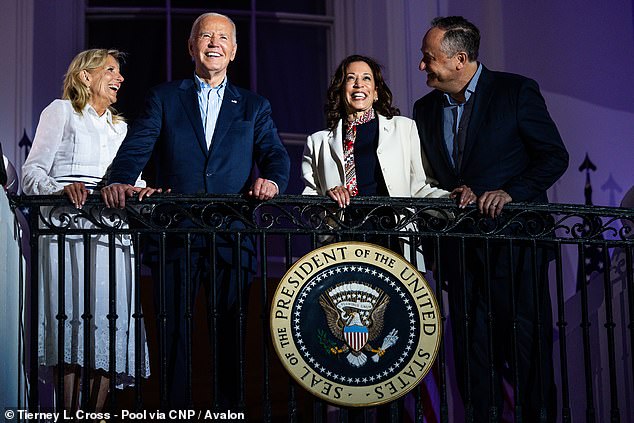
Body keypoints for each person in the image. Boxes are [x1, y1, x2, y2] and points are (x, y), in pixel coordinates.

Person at [100, 12, 290, 408]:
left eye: (223, 38)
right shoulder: (164, 97)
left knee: (230, 335)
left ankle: (229, 412)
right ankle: (174, 412)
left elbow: (274, 154)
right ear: (192, 47)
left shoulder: (254, 106)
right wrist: (118, 179)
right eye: (206, 36)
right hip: (174, 234)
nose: (214, 43)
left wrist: (271, 180)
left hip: (231, 237)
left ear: (234, 51)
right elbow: (137, 147)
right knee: (173, 335)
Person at [413, 16, 569, 422]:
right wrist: (452, 194)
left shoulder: (515, 91)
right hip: (461, 253)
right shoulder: (425, 109)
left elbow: (554, 156)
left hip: (516, 249)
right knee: (471, 356)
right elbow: (433, 176)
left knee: (527, 353)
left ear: (460, 59)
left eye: (429, 58)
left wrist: (511, 192)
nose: (422, 66)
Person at [21, 49, 154, 412]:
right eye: (110, 70)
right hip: (68, 230)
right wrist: (62, 189)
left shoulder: (120, 127)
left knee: (110, 321)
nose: (120, 78)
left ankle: (95, 415)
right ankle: (67, 412)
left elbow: (130, 178)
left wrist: (140, 190)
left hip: (112, 232)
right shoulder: (61, 112)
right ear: (84, 76)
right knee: (72, 318)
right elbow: (31, 174)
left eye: (120, 72)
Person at [302, 54, 475, 242]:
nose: (359, 84)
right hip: (343, 243)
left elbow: (420, 188)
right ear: (340, 89)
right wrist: (330, 203)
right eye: (351, 78)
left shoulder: (404, 128)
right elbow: (309, 205)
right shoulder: (317, 142)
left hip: (393, 239)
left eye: (366, 78)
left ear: (376, 92)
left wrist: (452, 199)